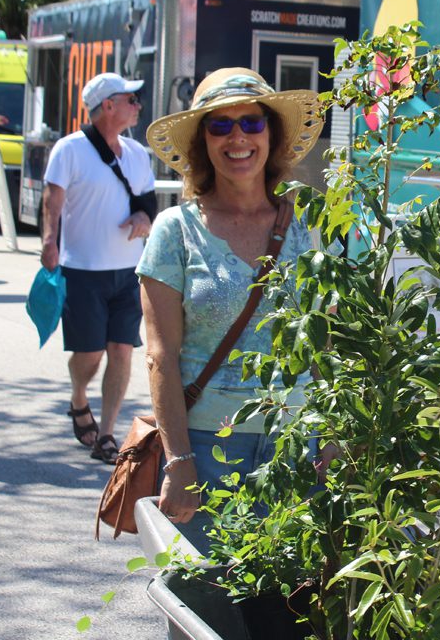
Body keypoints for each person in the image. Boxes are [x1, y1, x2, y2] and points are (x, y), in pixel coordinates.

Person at [137, 67, 324, 548]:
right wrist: (178, 460)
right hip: (208, 451)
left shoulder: (313, 227)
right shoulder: (175, 231)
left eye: (251, 122)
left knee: (289, 612)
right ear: (203, 141)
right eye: (220, 125)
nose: (237, 137)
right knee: (205, 608)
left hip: (298, 451)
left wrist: (338, 442)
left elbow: (335, 342)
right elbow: (160, 356)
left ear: (272, 134)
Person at [41, 72, 156, 464]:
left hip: (128, 272)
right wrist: (48, 241)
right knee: (89, 355)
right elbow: (52, 201)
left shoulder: (138, 155)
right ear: (108, 106)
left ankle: (106, 434)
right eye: (131, 99)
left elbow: (148, 204)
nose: (138, 105)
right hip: (82, 271)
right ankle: (77, 398)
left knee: (121, 350)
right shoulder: (69, 150)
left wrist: (143, 219)